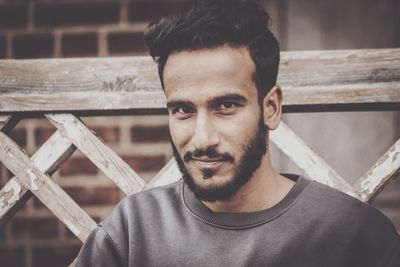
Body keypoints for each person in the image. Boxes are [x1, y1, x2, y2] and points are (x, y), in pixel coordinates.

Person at [76, 0, 400, 266]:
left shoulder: (353, 235)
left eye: (226, 106)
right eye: (183, 110)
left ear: (271, 108)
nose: (203, 139)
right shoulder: (132, 231)